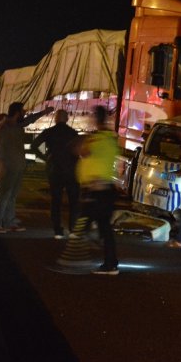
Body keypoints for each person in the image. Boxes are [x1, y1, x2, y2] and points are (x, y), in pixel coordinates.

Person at [0, 102, 54, 234]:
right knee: (4, 194)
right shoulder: (4, 126)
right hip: (7, 165)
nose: (24, 112)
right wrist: (0, 164)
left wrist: (43, 112)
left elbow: (29, 120)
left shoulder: (16, 125)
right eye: (23, 111)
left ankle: (9, 222)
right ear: (17, 112)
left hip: (18, 164)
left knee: (12, 195)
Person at [72, 105, 119, 275]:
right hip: (105, 188)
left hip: (95, 188)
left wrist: (83, 140)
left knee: (87, 221)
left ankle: (105, 261)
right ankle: (109, 261)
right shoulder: (110, 139)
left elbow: (82, 151)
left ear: (95, 119)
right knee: (103, 226)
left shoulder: (97, 139)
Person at [30, 109, 80, 239]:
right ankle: (73, 228)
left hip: (54, 169)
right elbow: (79, 151)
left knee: (56, 200)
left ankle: (57, 230)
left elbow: (33, 146)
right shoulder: (73, 133)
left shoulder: (49, 132)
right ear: (67, 119)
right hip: (71, 170)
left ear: (56, 119)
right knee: (73, 201)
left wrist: (45, 158)